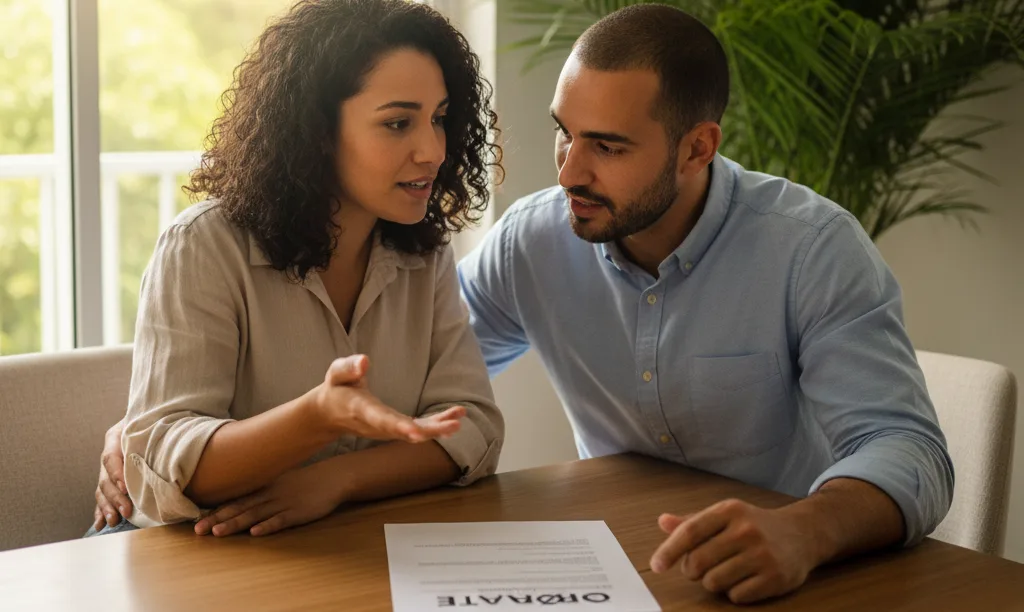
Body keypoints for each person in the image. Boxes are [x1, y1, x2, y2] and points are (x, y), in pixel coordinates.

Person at [455, 4, 952, 605]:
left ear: (697, 149)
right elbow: (428, 371)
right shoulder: (530, 242)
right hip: (620, 570)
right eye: (565, 131)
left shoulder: (812, 249)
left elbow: (908, 447)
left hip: (797, 580)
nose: (568, 172)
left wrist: (806, 529)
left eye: (608, 147)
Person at [87, 0, 503, 538]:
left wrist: (337, 480)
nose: (433, 150)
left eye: (440, 119)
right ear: (317, 131)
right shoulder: (203, 246)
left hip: (332, 538)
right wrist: (317, 418)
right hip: (179, 549)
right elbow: (164, 469)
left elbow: (473, 429)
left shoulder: (424, 253)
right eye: (398, 123)